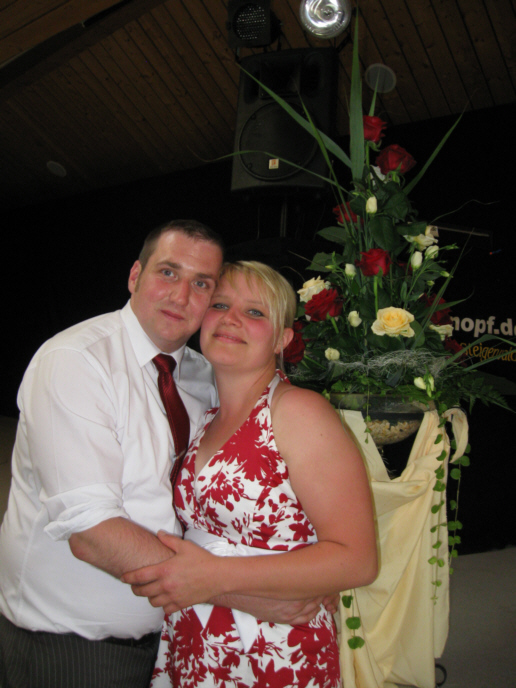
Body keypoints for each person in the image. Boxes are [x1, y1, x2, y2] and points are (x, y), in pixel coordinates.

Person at [0, 223, 322, 688]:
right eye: (168, 272)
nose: (181, 295)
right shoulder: (75, 362)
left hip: (177, 641)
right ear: (135, 275)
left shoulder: (204, 376)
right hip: (75, 646)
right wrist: (250, 595)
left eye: (201, 283)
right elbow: (92, 532)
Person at [124, 261, 378, 687]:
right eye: (220, 304)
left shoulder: (298, 412)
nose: (231, 318)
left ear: (282, 339)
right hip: (196, 639)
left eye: (255, 312)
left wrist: (215, 578)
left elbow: (358, 559)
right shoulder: (205, 416)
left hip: (273, 650)